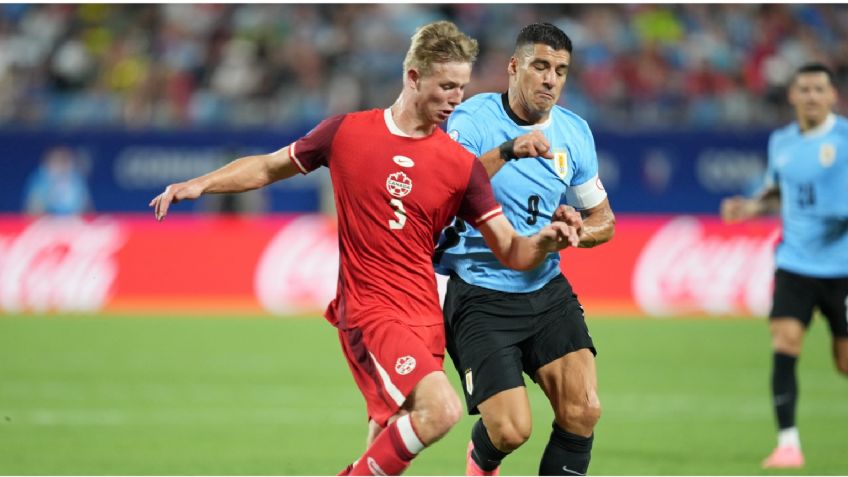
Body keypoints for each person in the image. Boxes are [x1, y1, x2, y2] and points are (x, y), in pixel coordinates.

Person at [149, 21, 581, 476]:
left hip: (426, 317)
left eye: (462, 87)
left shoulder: (461, 166)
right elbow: (267, 167)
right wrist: (201, 183)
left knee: (387, 440)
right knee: (441, 412)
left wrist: (545, 242)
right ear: (413, 77)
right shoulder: (347, 134)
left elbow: (511, 251)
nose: (457, 99)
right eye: (447, 86)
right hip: (372, 311)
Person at [435, 23, 615, 476]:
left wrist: (574, 233)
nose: (550, 79)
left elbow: (604, 220)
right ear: (514, 68)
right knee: (512, 430)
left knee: (583, 411)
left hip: (546, 288)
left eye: (560, 70)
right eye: (540, 66)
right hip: (480, 292)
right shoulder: (472, 120)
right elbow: (446, 189)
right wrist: (510, 150)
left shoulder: (574, 134)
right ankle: (481, 459)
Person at [720, 62, 848, 470]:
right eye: (804, 89)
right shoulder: (782, 142)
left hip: (842, 268)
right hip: (794, 263)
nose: (811, 96)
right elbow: (779, 189)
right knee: (785, 342)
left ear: (832, 96)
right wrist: (751, 205)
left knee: (844, 362)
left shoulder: (845, 139)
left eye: (818, 89)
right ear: (792, 96)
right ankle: (788, 445)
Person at [23, 146, 93, 216]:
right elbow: (32, 211)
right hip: (46, 223)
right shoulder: (40, 180)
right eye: (57, 161)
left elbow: (87, 209)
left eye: (65, 161)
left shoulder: (76, 179)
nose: (62, 167)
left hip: (72, 223)